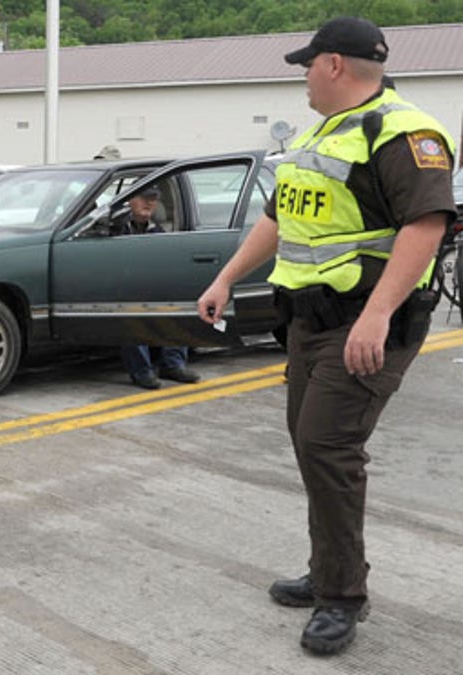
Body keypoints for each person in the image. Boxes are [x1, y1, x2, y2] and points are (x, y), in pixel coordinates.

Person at [196, 17, 456, 655]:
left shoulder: (403, 132)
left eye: (308, 64)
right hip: (309, 325)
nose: (304, 76)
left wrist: (375, 317)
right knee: (311, 449)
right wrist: (227, 278)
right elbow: (277, 220)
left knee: (328, 449)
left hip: (368, 325)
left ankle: (342, 597)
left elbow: (426, 227)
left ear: (334, 64)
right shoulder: (321, 134)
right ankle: (328, 571)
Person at [113, 187, 200, 389]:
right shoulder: (116, 228)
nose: (149, 203)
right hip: (124, 285)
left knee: (175, 302)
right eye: (144, 198)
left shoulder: (158, 231)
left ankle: (173, 364)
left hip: (150, 285)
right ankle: (141, 371)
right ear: (130, 200)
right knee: (131, 308)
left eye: (153, 199)